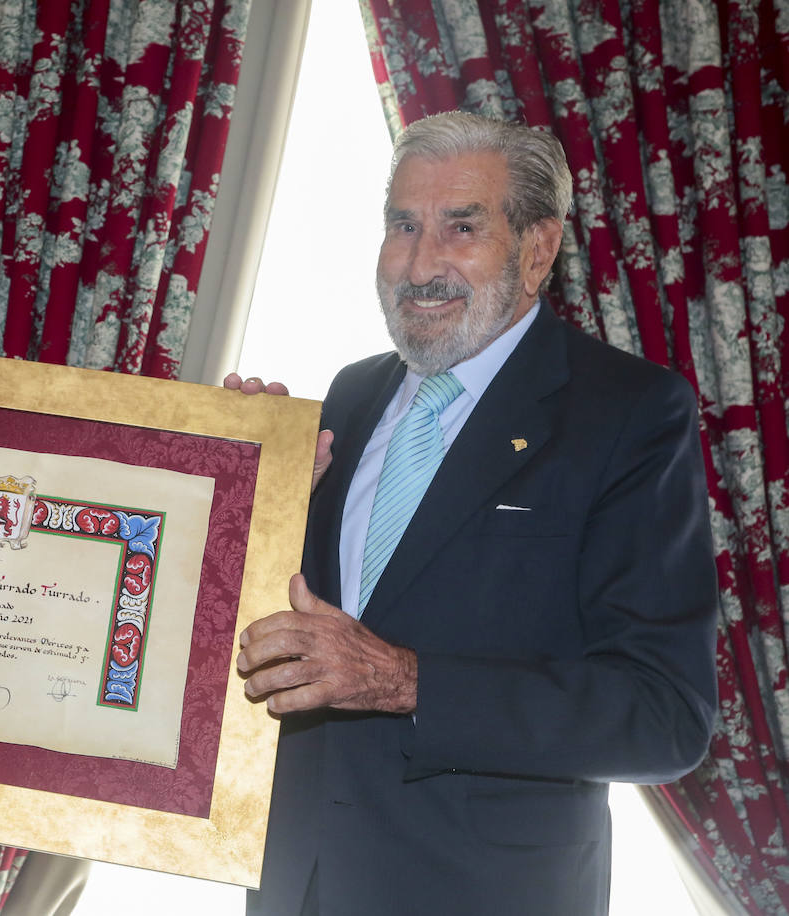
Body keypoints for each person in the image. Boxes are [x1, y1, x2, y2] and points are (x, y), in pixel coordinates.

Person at [231, 112, 718, 915]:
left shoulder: (629, 414)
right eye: (402, 225)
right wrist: (239, 503)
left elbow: (663, 717)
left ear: (537, 249)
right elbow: (283, 641)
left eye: (462, 227)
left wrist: (407, 682)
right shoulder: (347, 398)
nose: (421, 264)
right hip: (299, 887)